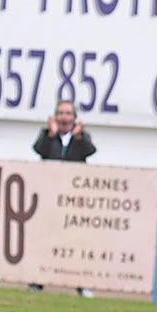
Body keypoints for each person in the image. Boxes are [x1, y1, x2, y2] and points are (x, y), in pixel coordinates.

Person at [32, 99, 97, 295]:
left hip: (73, 201)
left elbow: (91, 151)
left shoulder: (82, 138)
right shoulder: (47, 136)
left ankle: (81, 283)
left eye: (68, 113)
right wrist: (51, 134)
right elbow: (38, 150)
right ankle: (38, 280)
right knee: (45, 240)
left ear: (74, 118)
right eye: (61, 113)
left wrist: (79, 138)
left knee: (76, 241)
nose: (64, 117)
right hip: (49, 199)